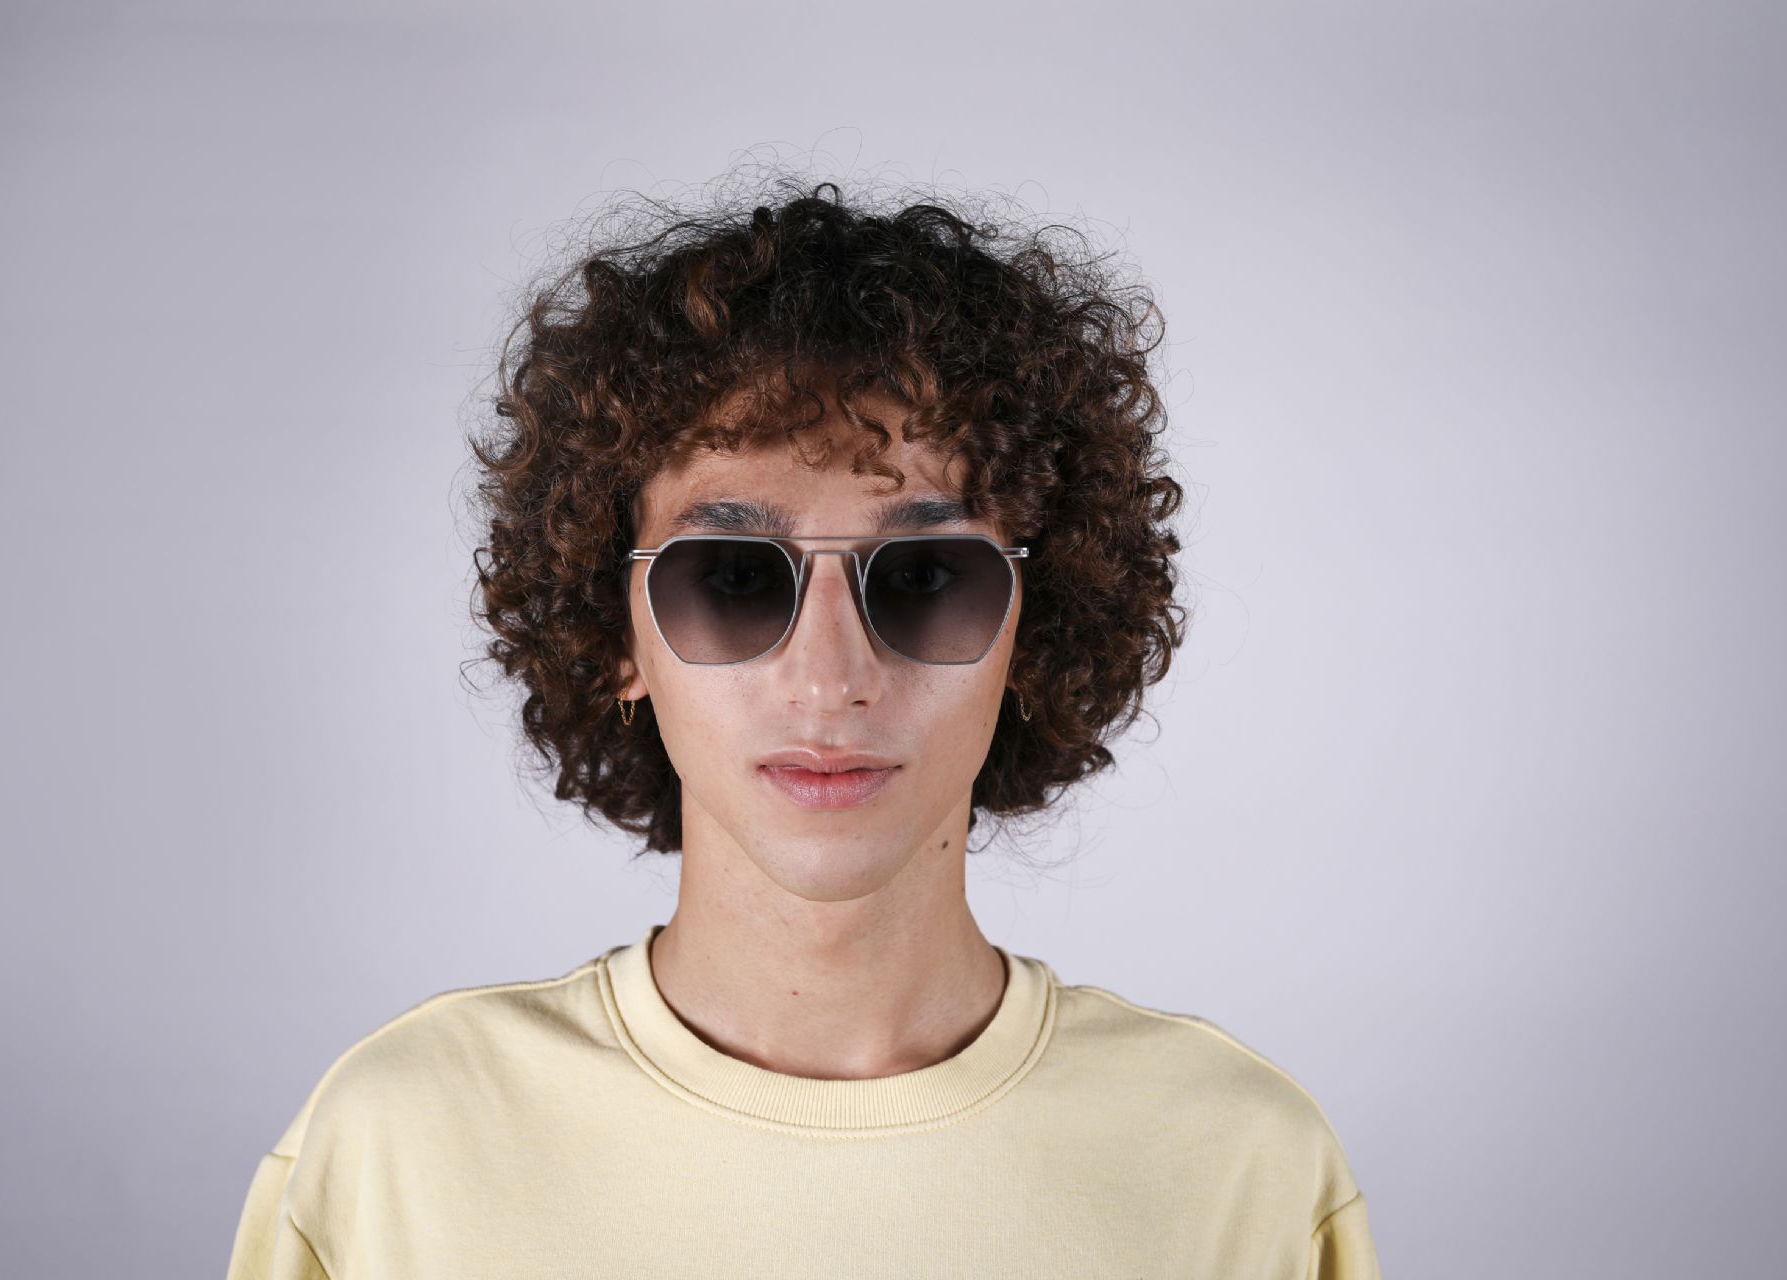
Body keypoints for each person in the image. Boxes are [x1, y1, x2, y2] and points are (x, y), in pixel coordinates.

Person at [223, 174, 1381, 1278]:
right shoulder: (397, 1149)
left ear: (1036, 626)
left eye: (926, 577)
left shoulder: (1241, 1164)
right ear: (616, 630)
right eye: (733, 575)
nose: (831, 680)